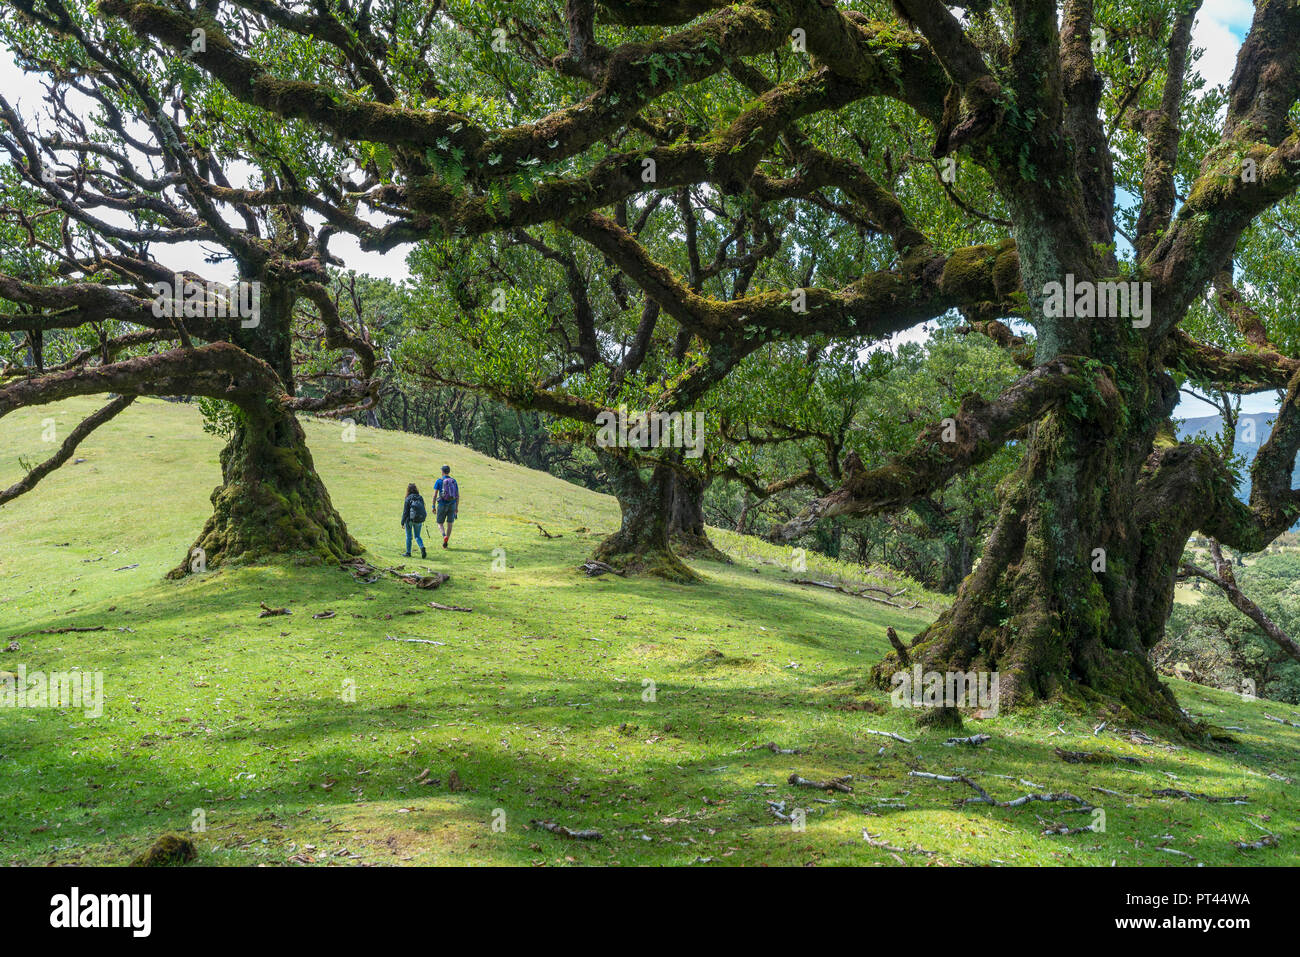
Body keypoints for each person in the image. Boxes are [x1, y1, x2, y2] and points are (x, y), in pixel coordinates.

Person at [433, 464, 459, 548]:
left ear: (442, 472)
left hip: (442, 504)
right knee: (450, 523)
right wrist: (456, 508)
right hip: (452, 504)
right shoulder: (454, 481)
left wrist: (433, 506)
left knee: (440, 523)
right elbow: (457, 495)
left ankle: (444, 535)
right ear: (449, 472)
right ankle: (446, 543)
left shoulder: (439, 481)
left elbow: (435, 495)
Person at [401, 483, 427, 558]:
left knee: (409, 536)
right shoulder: (420, 497)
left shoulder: (408, 498)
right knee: (417, 536)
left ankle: (408, 553)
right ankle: (422, 547)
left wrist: (402, 522)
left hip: (409, 520)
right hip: (419, 520)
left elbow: (405, 512)